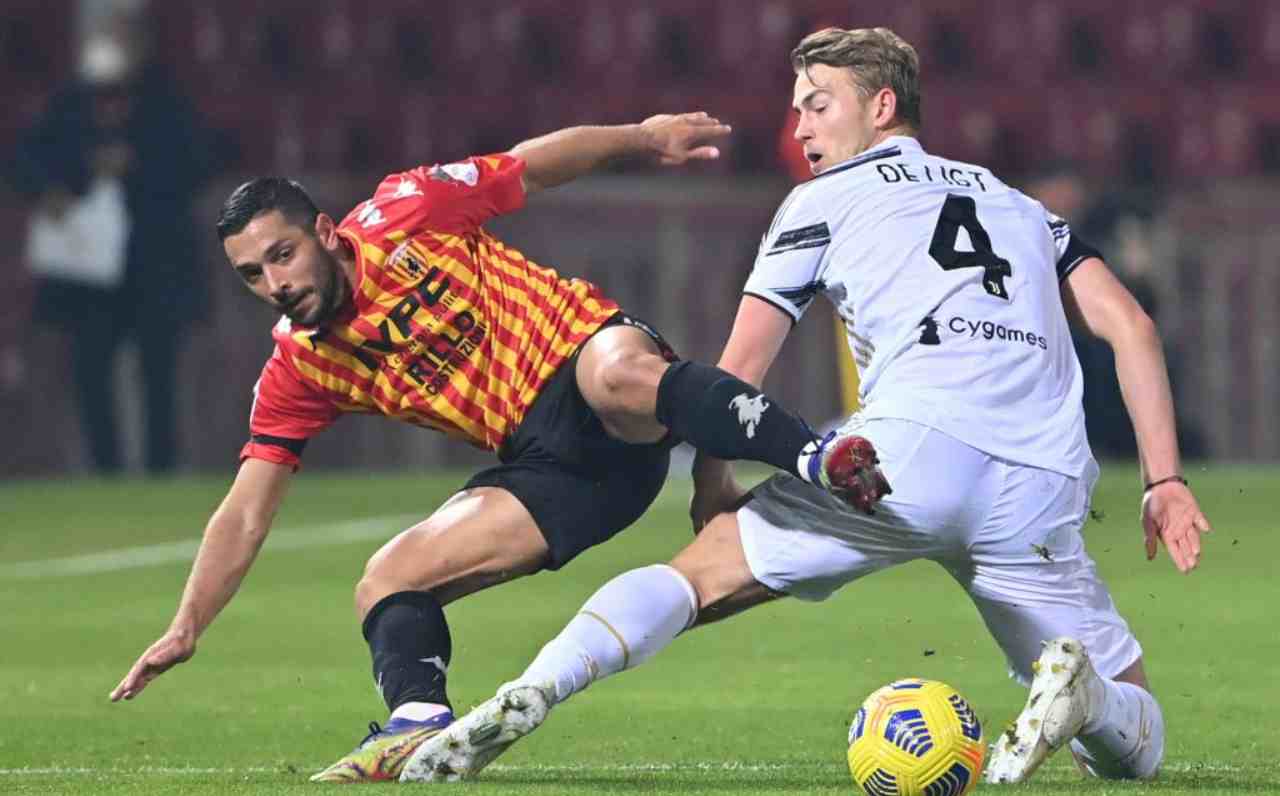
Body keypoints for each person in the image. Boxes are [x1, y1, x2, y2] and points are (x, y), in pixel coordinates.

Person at [400, 27, 1213, 786]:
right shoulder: (1022, 205)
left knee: (696, 580)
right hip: (1039, 483)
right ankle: (1090, 699)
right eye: (797, 112)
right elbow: (1131, 326)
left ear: (881, 105)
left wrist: (712, 481)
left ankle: (536, 688)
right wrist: (1163, 481)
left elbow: (735, 375)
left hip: (903, 459)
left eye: (818, 105)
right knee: (1134, 748)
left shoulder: (821, 201)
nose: (802, 130)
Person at [106, 112, 890, 782]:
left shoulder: (406, 209)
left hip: (583, 359)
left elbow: (533, 165)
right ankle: (417, 717)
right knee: (386, 580)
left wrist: (641, 136)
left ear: (323, 232)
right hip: (555, 471)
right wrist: (188, 626)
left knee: (619, 373)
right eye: (251, 275)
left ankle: (816, 457)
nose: (273, 283)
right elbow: (245, 512)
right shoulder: (299, 367)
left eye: (281, 256)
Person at [8, 22, 213, 474]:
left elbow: (199, 163)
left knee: (158, 376)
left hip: (154, 269)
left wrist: (137, 167)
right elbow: (23, 162)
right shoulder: (66, 108)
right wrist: (59, 188)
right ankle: (106, 472)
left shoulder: (165, 106)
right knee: (91, 377)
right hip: (88, 278)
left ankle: (163, 470)